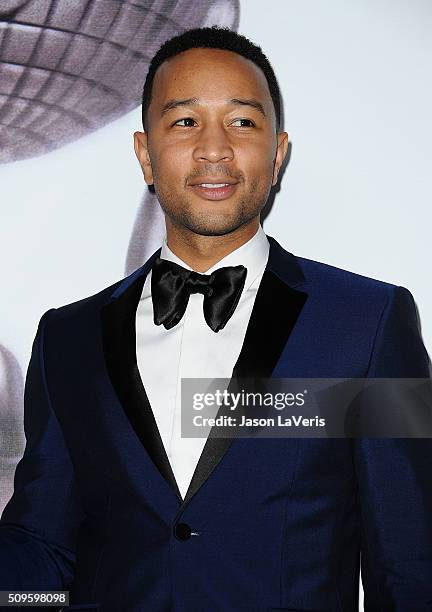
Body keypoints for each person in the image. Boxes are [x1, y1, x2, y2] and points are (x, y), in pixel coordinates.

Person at [0, 26, 431, 612]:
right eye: (184, 122)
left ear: (277, 155)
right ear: (145, 155)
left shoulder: (370, 325)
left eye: (242, 121)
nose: (214, 149)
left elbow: (408, 562)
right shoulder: (66, 339)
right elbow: (43, 549)